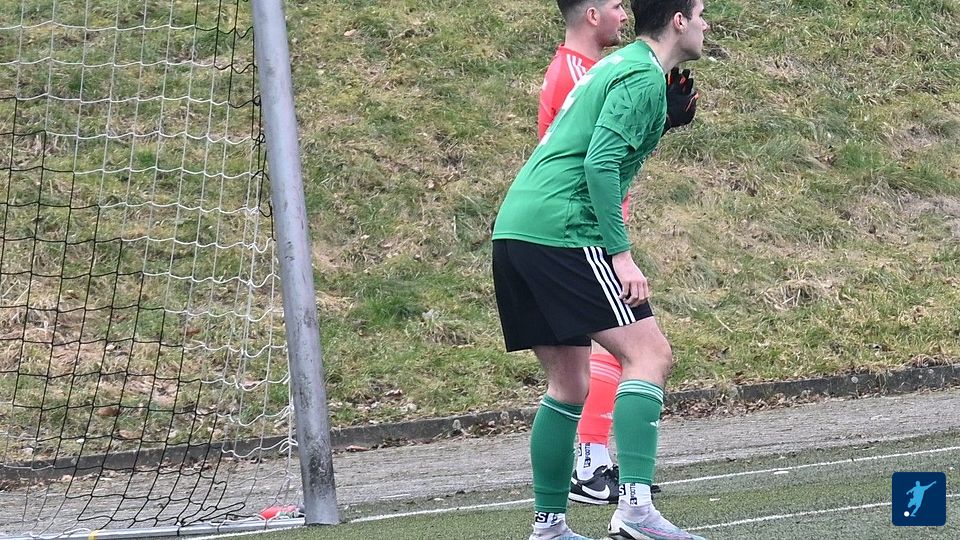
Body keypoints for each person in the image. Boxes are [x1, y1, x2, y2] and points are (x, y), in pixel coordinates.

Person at [492, 0, 710, 538]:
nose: (706, 25)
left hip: (517, 230)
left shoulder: (622, 66)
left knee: (569, 383)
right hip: (563, 231)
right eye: (701, 13)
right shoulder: (639, 74)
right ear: (678, 21)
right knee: (650, 355)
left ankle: (549, 526)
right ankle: (635, 510)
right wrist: (621, 253)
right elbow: (599, 163)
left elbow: (595, 142)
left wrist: (660, 117)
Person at [537, 0, 699, 507]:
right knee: (639, 351)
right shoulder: (586, 72)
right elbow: (590, 158)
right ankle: (597, 469)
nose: (624, 14)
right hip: (576, 230)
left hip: (576, 227)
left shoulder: (602, 68)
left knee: (577, 375)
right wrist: (618, 250)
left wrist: (659, 120)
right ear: (591, 15)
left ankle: (560, 508)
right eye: (613, 5)